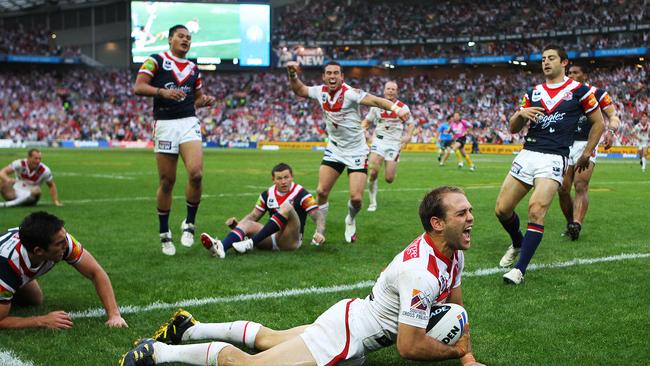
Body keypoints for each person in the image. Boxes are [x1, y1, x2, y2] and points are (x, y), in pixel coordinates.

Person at [119, 186, 484, 366]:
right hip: (345, 333)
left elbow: (456, 303)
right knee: (249, 364)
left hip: (353, 320)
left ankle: (189, 328)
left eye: (470, 211)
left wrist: (467, 358)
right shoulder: (420, 273)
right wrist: (456, 351)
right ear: (437, 224)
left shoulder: (451, 251)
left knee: (270, 339)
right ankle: (161, 352)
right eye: (462, 213)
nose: (471, 218)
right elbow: (409, 347)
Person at [496, 45, 604, 285]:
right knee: (502, 210)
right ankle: (517, 242)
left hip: (554, 157)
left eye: (551, 58)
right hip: (528, 153)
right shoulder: (533, 92)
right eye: (543, 59)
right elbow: (513, 128)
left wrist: (587, 152)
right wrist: (521, 113)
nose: (545, 62)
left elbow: (598, 123)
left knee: (536, 210)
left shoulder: (580, 91)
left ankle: (519, 270)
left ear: (564, 62)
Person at [285, 61, 410, 243]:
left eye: (336, 73)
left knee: (357, 199)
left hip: (357, 151)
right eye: (329, 73)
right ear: (324, 76)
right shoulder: (320, 91)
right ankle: (320, 230)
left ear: (342, 77)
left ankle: (350, 219)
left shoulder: (350, 93)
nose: (332, 76)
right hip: (335, 149)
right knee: (321, 191)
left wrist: (395, 108)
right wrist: (292, 75)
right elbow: (300, 90)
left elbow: (375, 100)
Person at [134, 24, 215, 256]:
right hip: (165, 125)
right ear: (170, 39)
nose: (185, 40)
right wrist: (162, 92)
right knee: (167, 181)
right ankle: (164, 234)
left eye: (188, 38)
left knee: (196, 173)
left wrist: (204, 101)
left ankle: (189, 224)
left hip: (188, 122)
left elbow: (195, 99)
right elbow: (138, 87)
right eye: (181, 36)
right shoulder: (155, 60)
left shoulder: (193, 68)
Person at [0, 212, 127, 329]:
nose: (67, 245)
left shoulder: (63, 242)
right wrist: (41, 320)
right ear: (39, 251)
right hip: (5, 270)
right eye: (60, 243)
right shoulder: (7, 265)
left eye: (65, 237)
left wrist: (114, 315)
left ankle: (7, 292)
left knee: (35, 299)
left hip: (14, 271)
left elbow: (96, 272)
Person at [199, 163, 325, 258]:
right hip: (271, 238)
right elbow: (254, 216)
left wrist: (319, 232)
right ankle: (221, 247)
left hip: (291, 241)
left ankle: (250, 243)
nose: (283, 181)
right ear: (273, 180)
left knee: (286, 207)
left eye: (286, 177)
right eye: (279, 178)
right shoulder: (267, 194)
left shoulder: (301, 193)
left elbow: (317, 215)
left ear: (292, 177)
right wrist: (239, 225)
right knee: (248, 222)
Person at [557, 64, 622, 240]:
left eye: (576, 72)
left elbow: (613, 116)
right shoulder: (563, 95)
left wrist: (611, 131)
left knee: (580, 185)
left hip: (587, 142)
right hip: (564, 143)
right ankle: (570, 223)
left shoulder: (599, 94)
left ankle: (577, 223)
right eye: (569, 73)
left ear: (585, 75)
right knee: (562, 189)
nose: (571, 75)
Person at [361, 81, 416, 212]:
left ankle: (390, 166)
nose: (390, 91)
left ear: (396, 91)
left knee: (389, 178)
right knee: (373, 171)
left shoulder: (403, 107)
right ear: (384, 90)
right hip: (378, 141)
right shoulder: (376, 106)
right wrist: (363, 129)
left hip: (394, 144)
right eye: (388, 89)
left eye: (393, 89)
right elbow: (367, 121)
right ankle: (372, 202)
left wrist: (408, 136)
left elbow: (410, 124)